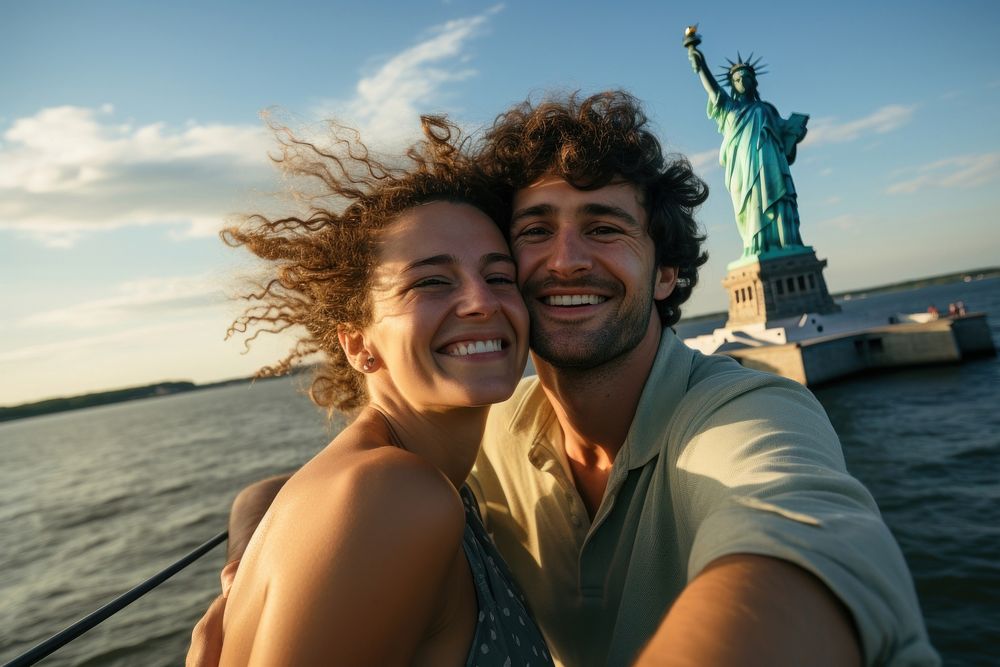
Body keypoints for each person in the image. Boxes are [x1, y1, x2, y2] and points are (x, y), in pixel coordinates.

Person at [190, 92, 939, 667]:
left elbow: (797, 548)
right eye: (534, 231)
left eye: (606, 228)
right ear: (356, 343)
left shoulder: (746, 411)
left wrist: (257, 555)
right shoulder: (471, 445)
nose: (566, 259)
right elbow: (343, 500)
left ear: (667, 272)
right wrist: (260, 546)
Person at [207, 116, 553, 666]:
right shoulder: (396, 494)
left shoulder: (388, 478)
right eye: (431, 282)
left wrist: (242, 568)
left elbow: (268, 495)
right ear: (358, 345)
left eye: (500, 276)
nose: (481, 301)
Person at [688, 40, 808, 259]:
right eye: (737, 79)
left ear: (754, 81)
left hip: (770, 165)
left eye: (746, 77)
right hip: (742, 171)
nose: (742, 81)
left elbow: (786, 136)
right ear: (732, 84)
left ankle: (786, 242)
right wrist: (702, 67)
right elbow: (713, 90)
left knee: (778, 198)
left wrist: (796, 131)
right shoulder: (728, 108)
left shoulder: (766, 109)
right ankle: (756, 246)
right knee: (750, 206)